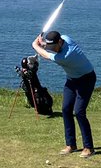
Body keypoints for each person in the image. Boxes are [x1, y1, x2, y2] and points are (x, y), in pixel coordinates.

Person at [32, 29, 96, 158]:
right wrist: (43, 43)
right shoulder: (65, 38)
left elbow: (44, 55)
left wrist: (35, 45)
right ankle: (71, 145)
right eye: (50, 46)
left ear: (60, 42)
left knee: (79, 112)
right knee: (66, 109)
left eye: (53, 47)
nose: (52, 49)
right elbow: (47, 47)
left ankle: (89, 148)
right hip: (72, 79)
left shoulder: (65, 56)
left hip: (86, 79)